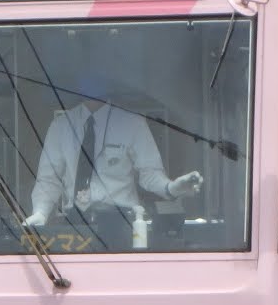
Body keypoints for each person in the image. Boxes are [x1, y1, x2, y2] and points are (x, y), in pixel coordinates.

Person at [22, 76, 203, 229]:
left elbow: (150, 175)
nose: (92, 79)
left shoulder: (132, 123)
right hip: (75, 224)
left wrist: (172, 189)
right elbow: (48, 179)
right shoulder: (61, 126)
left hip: (121, 222)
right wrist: (40, 212)